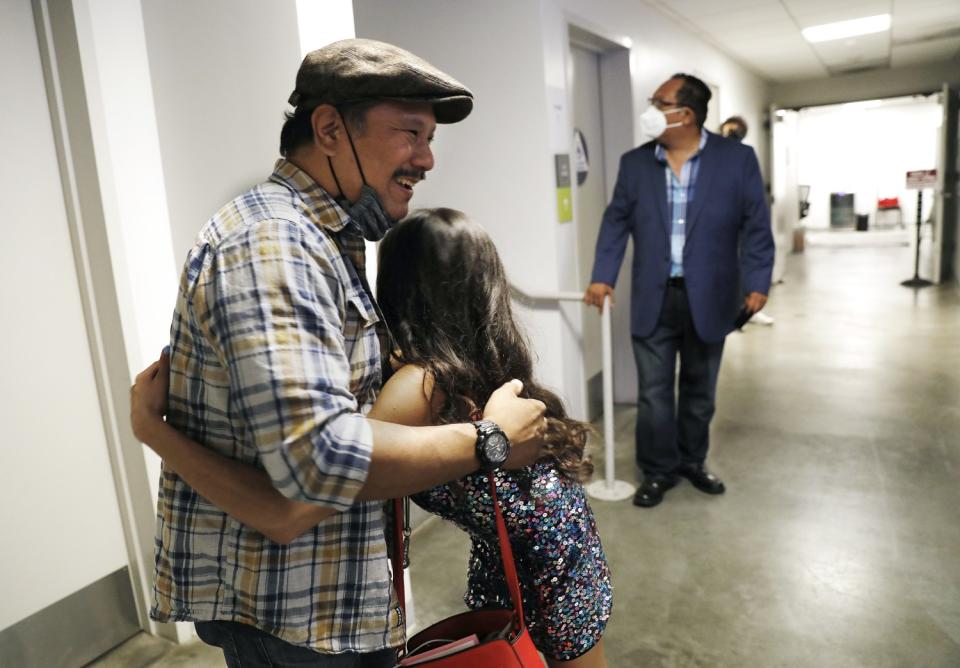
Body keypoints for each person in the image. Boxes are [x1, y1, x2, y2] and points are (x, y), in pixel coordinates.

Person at [133, 38, 548, 667]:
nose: (427, 158)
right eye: (410, 132)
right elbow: (318, 459)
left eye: (430, 137)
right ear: (329, 129)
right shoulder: (274, 244)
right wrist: (488, 440)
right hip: (289, 614)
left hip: (329, 600)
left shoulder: (329, 239)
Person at [134, 208, 611, 667]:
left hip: (550, 563)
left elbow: (309, 495)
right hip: (561, 546)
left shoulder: (418, 383)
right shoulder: (478, 364)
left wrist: (152, 428)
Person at [583, 73, 774, 508]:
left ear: (685, 114)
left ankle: (692, 460)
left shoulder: (736, 159)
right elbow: (616, 221)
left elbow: (756, 226)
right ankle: (657, 470)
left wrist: (758, 281)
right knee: (653, 396)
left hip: (712, 297)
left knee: (699, 390)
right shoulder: (635, 163)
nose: (650, 109)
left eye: (659, 102)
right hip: (654, 295)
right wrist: (603, 274)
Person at [720, 115, 775, 326]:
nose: (730, 134)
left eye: (735, 131)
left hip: (740, 222)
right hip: (720, 225)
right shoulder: (711, 156)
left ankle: (747, 306)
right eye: (728, 130)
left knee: (743, 262)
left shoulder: (743, 157)